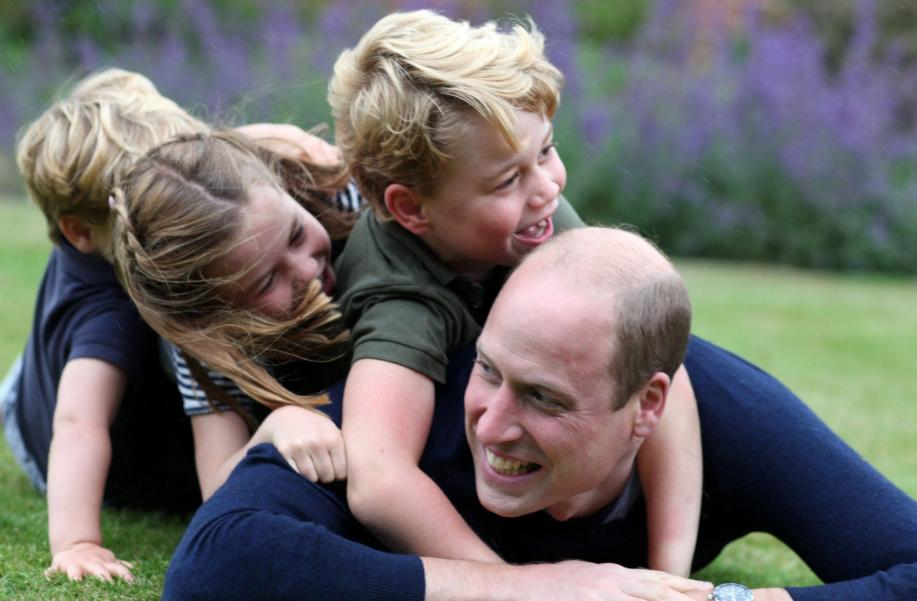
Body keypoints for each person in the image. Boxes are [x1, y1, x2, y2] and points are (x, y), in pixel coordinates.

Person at [161, 227, 917, 601]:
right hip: (155, 410)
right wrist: (549, 588)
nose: (493, 423)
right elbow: (215, 566)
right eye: (492, 371)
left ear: (648, 403)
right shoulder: (408, 400)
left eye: (544, 398)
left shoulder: (725, 410)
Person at [327, 9, 703, 573]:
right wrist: (515, 587)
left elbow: (664, 372)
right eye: (508, 180)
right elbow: (379, 479)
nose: (547, 187)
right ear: (412, 208)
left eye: (547, 150)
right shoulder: (399, 295)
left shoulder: (532, 210)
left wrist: (668, 575)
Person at [2, 67, 347, 583]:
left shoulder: (152, 212)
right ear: (83, 231)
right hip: (41, 430)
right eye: (144, 205)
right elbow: (78, 425)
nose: (174, 203)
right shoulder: (107, 311)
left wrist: (257, 141)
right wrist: (77, 541)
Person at [111, 130, 362, 500]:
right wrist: (275, 427)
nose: (307, 270)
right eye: (267, 281)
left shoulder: (343, 197)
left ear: (283, 186)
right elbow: (216, 485)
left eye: (295, 235)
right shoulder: (207, 343)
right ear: (214, 314)